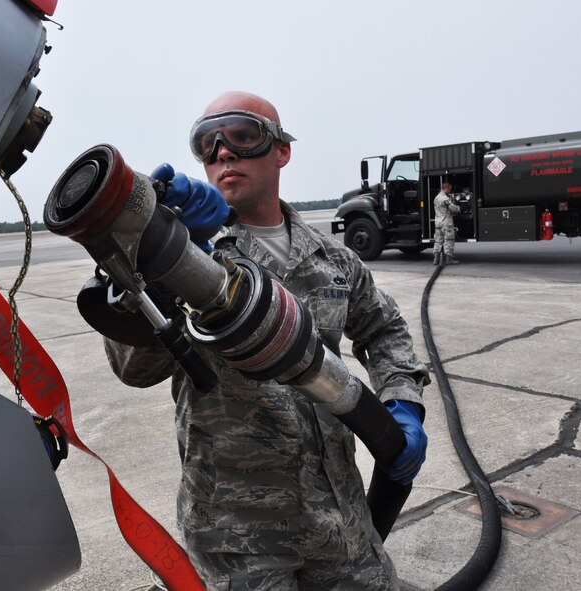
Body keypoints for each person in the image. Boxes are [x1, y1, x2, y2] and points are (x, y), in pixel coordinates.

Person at [104, 91, 430, 590]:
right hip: (237, 534)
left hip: (340, 516)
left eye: (242, 135)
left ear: (282, 151)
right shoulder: (186, 255)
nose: (224, 153)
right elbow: (133, 369)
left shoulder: (334, 260)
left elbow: (384, 328)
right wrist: (163, 258)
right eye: (206, 143)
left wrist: (402, 401)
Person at [433, 183, 461, 265]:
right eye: (449, 189)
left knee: (438, 241)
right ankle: (449, 259)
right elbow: (452, 208)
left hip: (438, 222)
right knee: (449, 240)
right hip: (446, 222)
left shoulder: (436, 198)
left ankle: (436, 259)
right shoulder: (445, 198)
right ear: (446, 188)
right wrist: (458, 208)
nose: (450, 191)